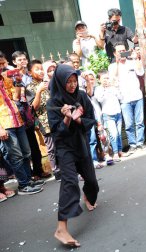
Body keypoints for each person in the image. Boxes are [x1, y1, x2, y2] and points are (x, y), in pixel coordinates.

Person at [47, 64, 99, 247]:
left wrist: (78, 118)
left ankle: (88, 197)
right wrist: (67, 118)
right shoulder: (53, 103)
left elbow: (91, 119)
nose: (72, 85)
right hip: (65, 147)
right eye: (68, 82)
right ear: (60, 82)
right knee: (69, 182)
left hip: (81, 144)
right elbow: (56, 133)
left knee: (92, 183)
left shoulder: (82, 96)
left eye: (74, 81)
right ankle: (61, 228)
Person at [0, 65, 44, 195]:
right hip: (5, 123)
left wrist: (18, 82)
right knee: (16, 156)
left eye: (2, 64)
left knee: (26, 152)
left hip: (18, 119)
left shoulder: (6, 78)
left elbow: (16, 97)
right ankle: (23, 185)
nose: (2, 66)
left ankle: (28, 180)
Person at [109, 43, 145, 153]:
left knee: (139, 122)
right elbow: (113, 79)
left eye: (124, 50)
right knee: (129, 124)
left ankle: (140, 143)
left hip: (137, 96)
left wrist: (136, 58)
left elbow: (141, 72)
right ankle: (132, 144)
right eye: (120, 51)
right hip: (124, 99)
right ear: (115, 53)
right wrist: (118, 62)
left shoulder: (132, 62)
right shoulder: (112, 66)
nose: (122, 53)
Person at [26, 60, 59, 178]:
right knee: (51, 147)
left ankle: (65, 167)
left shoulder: (47, 82)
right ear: (30, 72)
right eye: (37, 69)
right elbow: (33, 107)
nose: (40, 71)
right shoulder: (30, 87)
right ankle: (56, 170)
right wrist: (39, 91)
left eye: (41, 68)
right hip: (44, 122)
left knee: (60, 144)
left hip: (56, 118)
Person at [94, 70, 123, 161]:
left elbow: (120, 97)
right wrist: (104, 88)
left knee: (118, 133)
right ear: (99, 80)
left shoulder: (113, 87)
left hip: (117, 112)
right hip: (108, 114)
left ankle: (120, 151)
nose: (106, 80)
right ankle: (115, 153)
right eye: (104, 78)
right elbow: (100, 99)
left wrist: (114, 87)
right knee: (113, 134)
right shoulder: (98, 89)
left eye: (107, 78)